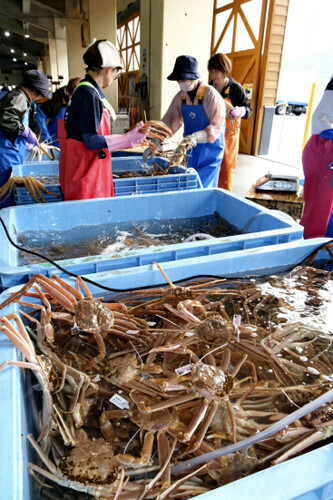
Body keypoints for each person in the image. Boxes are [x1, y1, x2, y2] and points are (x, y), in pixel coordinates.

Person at [59, 39, 148, 201]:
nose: (114, 77)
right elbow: (90, 141)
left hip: (82, 169)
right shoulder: (89, 95)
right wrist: (127, 139)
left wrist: (127, 136)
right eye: (116, 73)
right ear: (108, 69)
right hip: (87, 173)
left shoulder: (83, 89)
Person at [143, 55, 226, 188]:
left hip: (210, 152)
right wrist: (155, 143)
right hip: (190, 151)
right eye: (179, 79)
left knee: (203, 187)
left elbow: (216, 127)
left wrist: (194, 137)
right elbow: (168, 122)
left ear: (194, 77)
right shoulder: (180, 97)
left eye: (184, 78)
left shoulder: (211, 95)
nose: (181, 82)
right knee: (190, 184)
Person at [0, 69, 50, 208]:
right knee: (5, 193)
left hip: (12, 149)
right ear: (36, 90)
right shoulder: (19, 97)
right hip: (5, 153)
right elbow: (6, 119)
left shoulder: (20, 96)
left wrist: (24, 144)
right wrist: (25, 131)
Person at [208, 53, 252, 191]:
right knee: (211, 165)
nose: (214, 75)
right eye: (212, 71)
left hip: (229, 137)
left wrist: (241, 111)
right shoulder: (209, 89)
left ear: (225, 70)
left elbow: (248, 110)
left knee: (227, 168)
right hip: (212, 134)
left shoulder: (236, 88)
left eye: (217, 71)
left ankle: (225, 195)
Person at [299, 75, 333, 239]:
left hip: (323, 149)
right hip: (325, 148)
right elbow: (323, 119)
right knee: (319, 213)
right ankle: (314, 254)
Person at [36, 77, 81, 146]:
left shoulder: (82, 101)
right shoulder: (58, 100)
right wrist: (45, 134)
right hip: (55, 141)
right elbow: (40, 112)